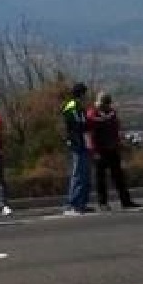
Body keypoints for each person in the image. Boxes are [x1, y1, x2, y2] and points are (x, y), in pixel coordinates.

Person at [86, 92, 139, 212]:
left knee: (119, 177)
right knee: (101, 179)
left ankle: (126, 201)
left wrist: (119, 144)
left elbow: (116, 130)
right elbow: (90, 135)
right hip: (99, 150)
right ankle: (102, 203)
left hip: (113, 149)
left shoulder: (112, 114)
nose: (104, 106)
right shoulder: (92, 115)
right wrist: (94, 151)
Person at [62, 82, 93, 216]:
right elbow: (78, 125)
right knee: (78, 174)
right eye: (85, 94)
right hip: (77, 143)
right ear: (81, 94)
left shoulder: (80, 106)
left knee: (85, 174)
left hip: (83, 143)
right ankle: (73, 204)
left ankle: (82, 203)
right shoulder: (72, 106)